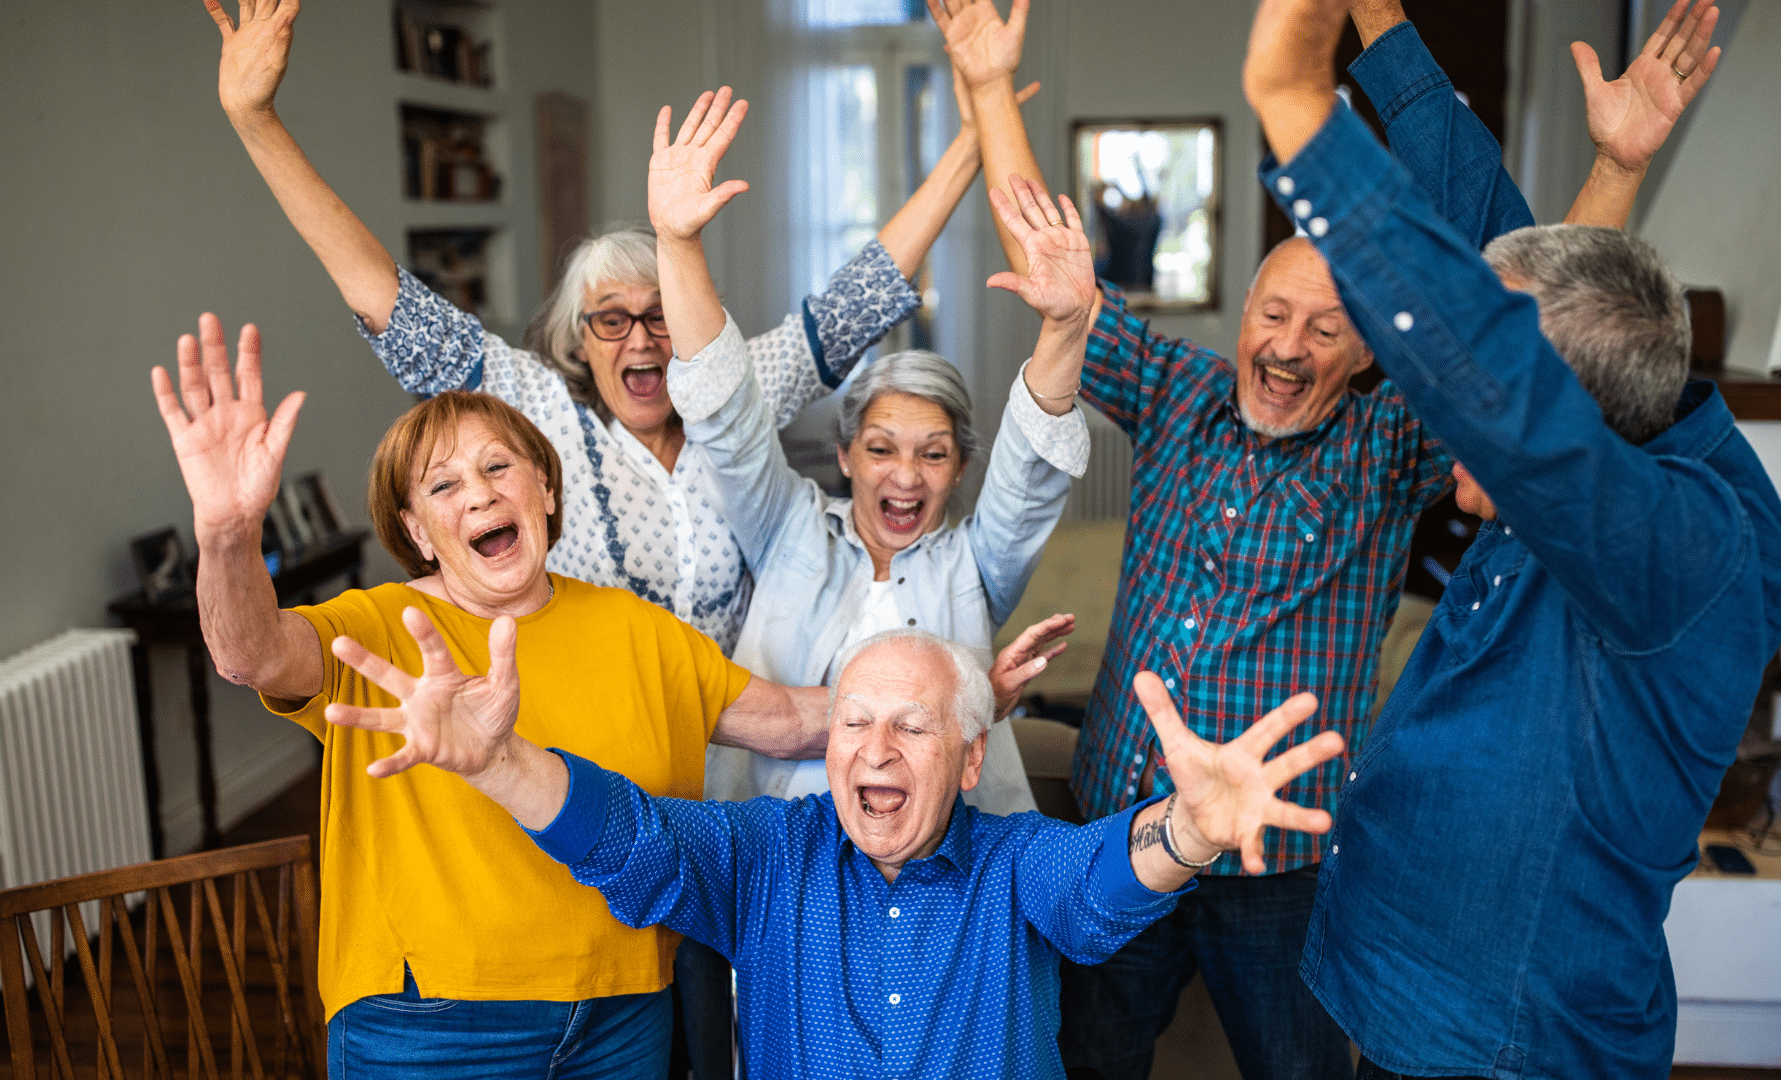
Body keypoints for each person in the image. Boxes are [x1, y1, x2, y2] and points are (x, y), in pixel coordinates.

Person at [926, 0, 1724, 1075]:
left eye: (1326, 328)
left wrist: (1615, 168)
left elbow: (1531, 339)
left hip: (1284, 861)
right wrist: (983, 83)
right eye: (1272, 315)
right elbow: (1052, 261)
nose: (1288, 347)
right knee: (1090, 1060)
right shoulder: (1180, 394)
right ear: (1241, 314)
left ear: (1366, 357)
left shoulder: (1391, 446)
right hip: (1131, 831)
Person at [1239, 2, 1781, 1078]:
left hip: (1501, 1045)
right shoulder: (1623, 403)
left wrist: (1303, 115)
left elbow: (1501, 381)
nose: (1444, 425)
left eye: (1477, 406)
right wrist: (1378, 19)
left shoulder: (1693, 547)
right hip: (1411, 999)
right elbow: (1478, 233)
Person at [201, 0, 1034, 654]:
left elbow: (864, 294)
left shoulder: (732, 385)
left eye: (662, 317)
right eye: (611, 320)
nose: (640, 339)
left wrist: (971, 135)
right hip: (592, 751)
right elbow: (380, 294)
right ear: (579, 337)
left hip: (734, 749)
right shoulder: (529, 407)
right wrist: (255, 120)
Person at [149, 314, 840, 1077]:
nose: (478, 494)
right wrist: (226, 534)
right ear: (416, 530)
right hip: (428, 1021)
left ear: (544, 488)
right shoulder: (379, 623)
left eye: (498, 467)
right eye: (443, 485)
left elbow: (793, 721)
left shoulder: (640, 629)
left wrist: (962, 694)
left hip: (625, 1010)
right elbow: (248, 653)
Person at [316, 611, 1350, 1080]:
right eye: (854, 722)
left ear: (967, 750)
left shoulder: (1014, 856)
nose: (875, 749)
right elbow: (632, 839)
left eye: (911, 725)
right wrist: (497, 764)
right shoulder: (770, 854)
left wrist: (1188, 831)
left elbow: (1096, 889)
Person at [640, 102, 1098, 815]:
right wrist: (676, 242)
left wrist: (1067, 327)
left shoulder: (975, 566)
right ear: (845, 455)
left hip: (941, 862)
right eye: (881, 448)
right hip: (781, 848)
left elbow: (1032, 471)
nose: (907, 475)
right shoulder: (789, 528)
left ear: (960, 469)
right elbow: (726, 417)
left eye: (934, 454)